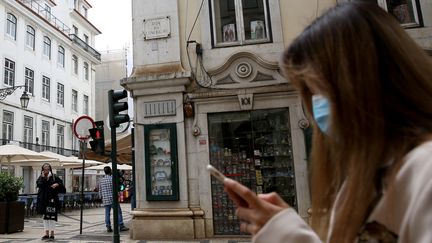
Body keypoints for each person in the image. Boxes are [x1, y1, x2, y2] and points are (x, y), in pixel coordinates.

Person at [223, 1, 432, 242]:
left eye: (321, 88)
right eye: (311, 93)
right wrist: (288, 231)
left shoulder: (424, 170)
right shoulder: (358, 181)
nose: (317, 107)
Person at [36, 162, 65, 241]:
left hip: (52, 200)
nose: (46, 170)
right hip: (43, 200)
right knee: (45, 217)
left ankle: (52, 233)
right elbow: (39, 185)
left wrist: (57, 185)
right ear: (42, 169)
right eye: (45, 169)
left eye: (48, 168)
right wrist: (43, 178)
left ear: (50, 169)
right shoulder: (41, 177)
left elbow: (61, 184)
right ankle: (46, 233)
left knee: (52, 217)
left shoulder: (54, 176)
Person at [98, 166, 129, 232]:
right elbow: (116, 188)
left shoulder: (101, 180)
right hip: (113, 199)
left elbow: (100, 191)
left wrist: (101, 197)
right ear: (110, 171)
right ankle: (121, 225)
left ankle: (108, 226)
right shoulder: (112, 179)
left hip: (105, 199)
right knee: (118, 212)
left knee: (107, 213)